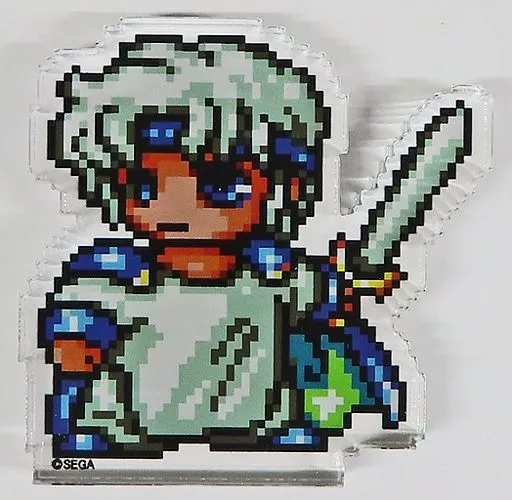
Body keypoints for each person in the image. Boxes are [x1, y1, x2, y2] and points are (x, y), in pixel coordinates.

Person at [39, 35, 471, 457]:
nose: (177, 207)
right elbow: (78, 322)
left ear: (282, 185)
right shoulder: (115, 271)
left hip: (257, 429)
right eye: (144, 183)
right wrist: (77, 345)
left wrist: (357, 282)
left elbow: (332, 301)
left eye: (218, 183)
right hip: (133, 427)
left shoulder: (275, 274)